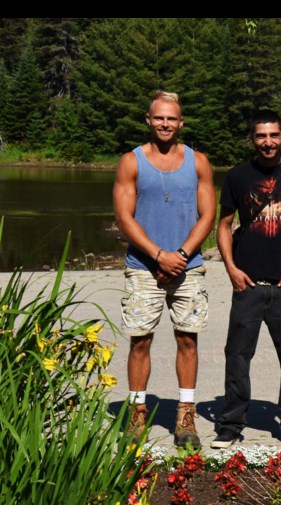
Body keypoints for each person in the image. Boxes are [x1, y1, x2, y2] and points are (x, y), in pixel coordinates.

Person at [113, 90, 216, 448]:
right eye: (159, 118)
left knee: (187, 339)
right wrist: (159, 255)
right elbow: (124, 219)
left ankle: (185, 415)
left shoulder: (198, 161)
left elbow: (208, 215)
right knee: (140, 341)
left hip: (188, 267)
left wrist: (181, 255)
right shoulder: (132, 161)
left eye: (171, 118)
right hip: (143, 267)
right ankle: (137, 412)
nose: (165, 124)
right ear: (148, 120)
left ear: (181, 122)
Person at [214, 109, 281, 447]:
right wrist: (230, 268)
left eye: (273, 135)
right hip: (248, 283)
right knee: (237, 357)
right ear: (253, 139)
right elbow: (224, 225)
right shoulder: (238, 176)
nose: (267, 142)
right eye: (261, 136)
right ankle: (230, 425)